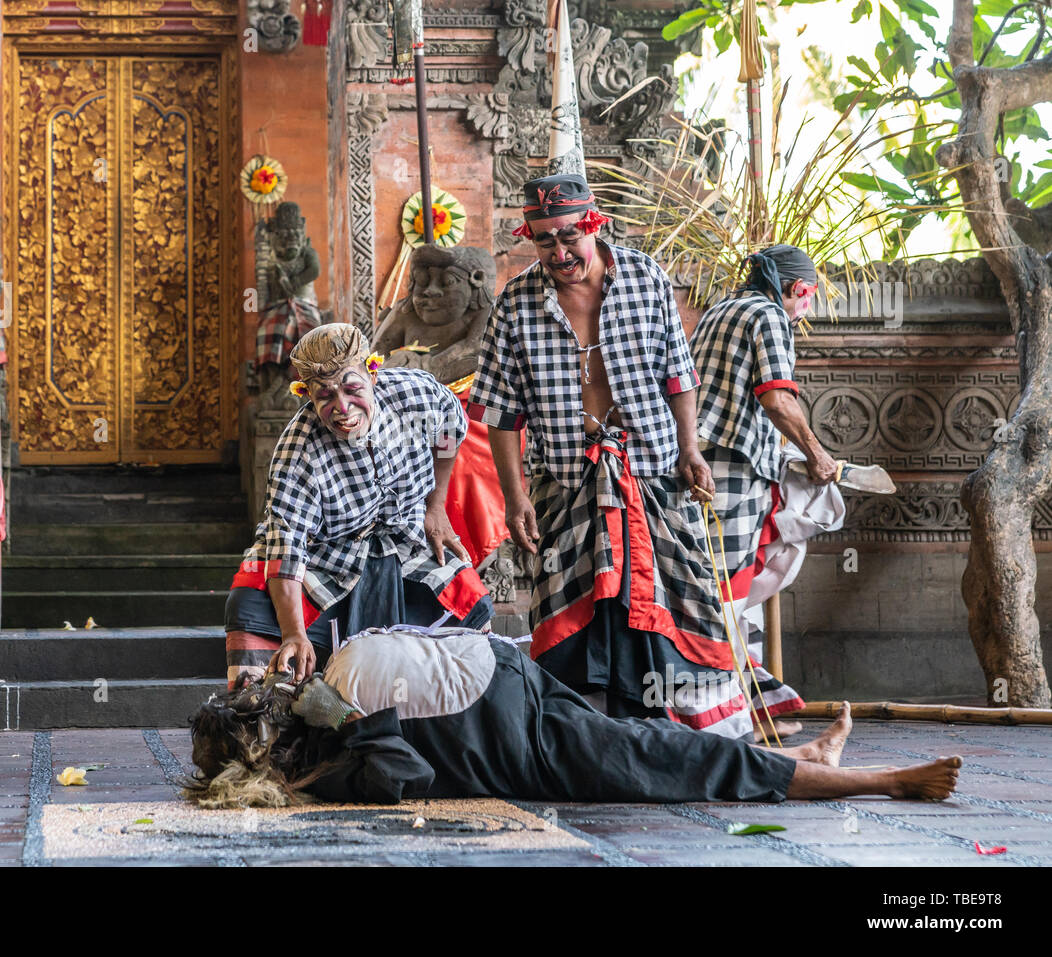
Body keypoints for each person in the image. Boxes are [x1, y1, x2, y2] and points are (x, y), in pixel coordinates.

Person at [468, 172, 804, 739]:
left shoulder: (644, 277)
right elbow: (501, 410)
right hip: (567, 472)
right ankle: (584, 732)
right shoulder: (517, 303)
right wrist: (514, 495)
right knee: (571, 598)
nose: (559, 251)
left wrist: (691, 448)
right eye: (544, 239)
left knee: (677, 590)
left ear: (595, 226)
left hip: (651, 464)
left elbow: (679, 373)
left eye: (570, 236)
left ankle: (688, 728)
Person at [188, 626, 963, 807]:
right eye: (255, 692)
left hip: (511, 679)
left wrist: (310, 670)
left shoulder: (328, 677)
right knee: (673, 761)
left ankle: (811, 761)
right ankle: (883, 780)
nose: (264, 678)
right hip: (525, 743)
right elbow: (408, 772)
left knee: (659, 741)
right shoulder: (327, 763)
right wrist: (346, 717)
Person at [224, 323, 493, 690]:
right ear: (306, 395)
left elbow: (450, 430)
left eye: (352, 390)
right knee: (249, 606)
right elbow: (286, 551)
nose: (343, 408)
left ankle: (440, 721)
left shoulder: (417, 394)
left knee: (471, 605)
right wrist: (293, 635)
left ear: (372, 371)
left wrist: (436, 506)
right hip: (327, 557)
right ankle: (270, 723)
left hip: (406, 539)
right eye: (326, 397)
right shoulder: (297, 453)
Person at [690, 246, 847, 736]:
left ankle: (745, 706)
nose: (808, 309)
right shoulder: (768, 315)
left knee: (709, 583)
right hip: (732, 468)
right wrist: (818, 454)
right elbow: (777, 400)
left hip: (696, 460)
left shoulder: (719, 309)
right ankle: (729, 711)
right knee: (728, 589)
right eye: (810, 296)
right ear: (799, 289)